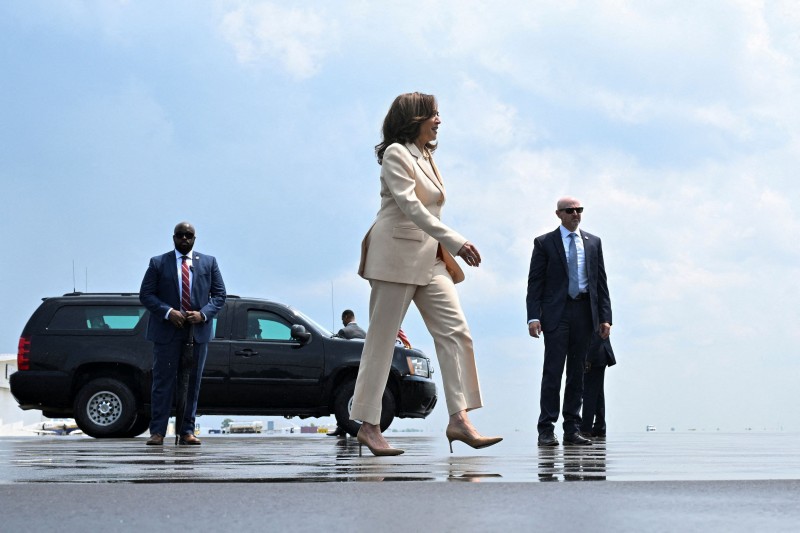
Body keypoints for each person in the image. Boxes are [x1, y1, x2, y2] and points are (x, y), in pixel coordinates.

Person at [351, 92, 502, 456]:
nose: (439, 120)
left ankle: (459, 418)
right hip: (395, 255)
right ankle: (369, 426)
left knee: (456, 331)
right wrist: (456, 242)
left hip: (429, 257)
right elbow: (410, 205)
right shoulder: (396, 154)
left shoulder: (427, 155)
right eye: (433, 114)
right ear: (414, 118)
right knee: (382, 342)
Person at [526, 197, 612, 447]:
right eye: (570, 210)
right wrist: (534, 316)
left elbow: (601, 282)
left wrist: (605, 317)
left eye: (579, 210)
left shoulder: (593, 242)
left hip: (585, 313)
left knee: (578, 374)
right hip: (556, 314)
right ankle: (546, 429)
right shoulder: (544, 243)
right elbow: (535, 282)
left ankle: (572, 429)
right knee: (553, 372)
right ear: (558, 214)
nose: (575, 214)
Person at [140, 222, 226, 446]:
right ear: (173, 238)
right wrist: (168, 312)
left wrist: (203, 315)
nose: (184, 239)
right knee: (163, 382)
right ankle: (157, 432)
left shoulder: (208, 262)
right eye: (180, 235)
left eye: (189, 235)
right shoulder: (158, 262)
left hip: (197, 333)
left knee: (192, 383)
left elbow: (219, 296)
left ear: (195, 238)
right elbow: (146, 295)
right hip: (167, 332)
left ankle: (187, 431)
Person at [580, 333, 616, 439]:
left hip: (594, 356)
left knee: (589, 393)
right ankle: (599, 426)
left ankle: (586, 428)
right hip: (600, 355)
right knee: (597, 392)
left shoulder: (594, 316)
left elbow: (596, 336)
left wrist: (588, 359)